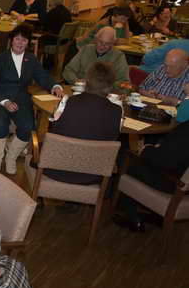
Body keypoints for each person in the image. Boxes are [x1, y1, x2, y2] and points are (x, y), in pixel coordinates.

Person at [0, 23, 63, 175]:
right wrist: (5, 102)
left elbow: (42, 76)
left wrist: (55, 86)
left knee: (28, 127)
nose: (20, 43)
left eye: (24, 40)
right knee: (0, 125)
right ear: (11, 40)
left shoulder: (31, 59)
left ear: (28, 42)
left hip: (21, 99)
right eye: (17, 39)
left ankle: (11, 157)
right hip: (0, 99)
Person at [113, 101, 189, 232]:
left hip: (173, 183)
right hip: (182, 180)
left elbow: (165, 161)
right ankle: (154, 214)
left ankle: (131, 217)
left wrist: (147, 149)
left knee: (130, 162)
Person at [44, 62, 123, 185]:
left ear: (87, 81)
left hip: (56, 169)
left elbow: (55, 132)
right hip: (93, 175)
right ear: (110, 85)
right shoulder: (116, 111)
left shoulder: (69, 102)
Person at [63, 27, 129, 84]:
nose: (102, 46)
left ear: (112, 44)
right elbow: (68, 70)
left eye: (107, 44)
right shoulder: (86, 49)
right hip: (81, 88)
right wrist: (76, 81)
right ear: (96, 39)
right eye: (100, 42)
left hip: (104, 91)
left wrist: (106, 87)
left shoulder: (118, 57)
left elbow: (123, 81)